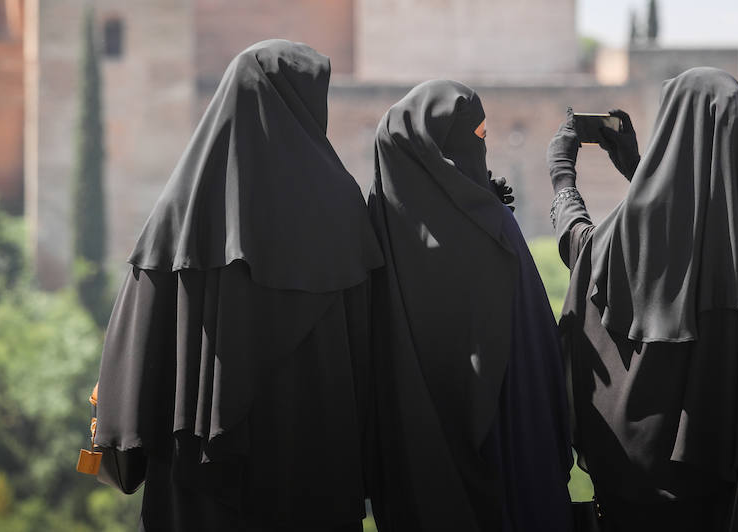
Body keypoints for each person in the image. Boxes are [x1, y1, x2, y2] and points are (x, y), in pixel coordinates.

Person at [90, 39, 382, 531]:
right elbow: (370, 349)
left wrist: (121, 440)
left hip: (196, 488)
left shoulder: (180, 212)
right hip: (313, 473)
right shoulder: (343, 210)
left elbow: (138, 342)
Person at [546, 68, 738, 532]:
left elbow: (590, 253)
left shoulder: (643, 231)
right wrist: (639, 169)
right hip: (731, 492)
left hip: (651, 492)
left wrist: (563, 178)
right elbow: (687, 231)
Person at [368, 80, 574, 532]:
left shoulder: (375, 229)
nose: (484, 148)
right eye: (478, 137)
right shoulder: (493, 229)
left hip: (415, 455)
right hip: (502, 444)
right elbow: (532, 341)